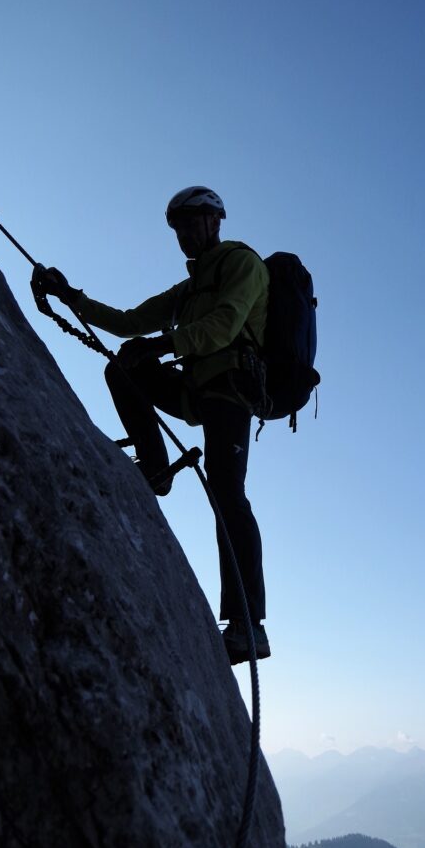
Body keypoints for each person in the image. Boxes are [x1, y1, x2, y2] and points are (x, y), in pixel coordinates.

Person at [32, 186, 270, 665]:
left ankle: (249, 626)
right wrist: (69, 295)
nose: (182, 234)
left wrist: (164, 346)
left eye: (189, 223)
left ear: (213, 220)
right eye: (177, 226)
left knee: (227, 492)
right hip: (198, 392)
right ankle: (156, 468)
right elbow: (127, 322)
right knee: (122, 365)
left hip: (230, 394)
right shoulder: (189, 289)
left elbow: (224, 326)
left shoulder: (241, 264)